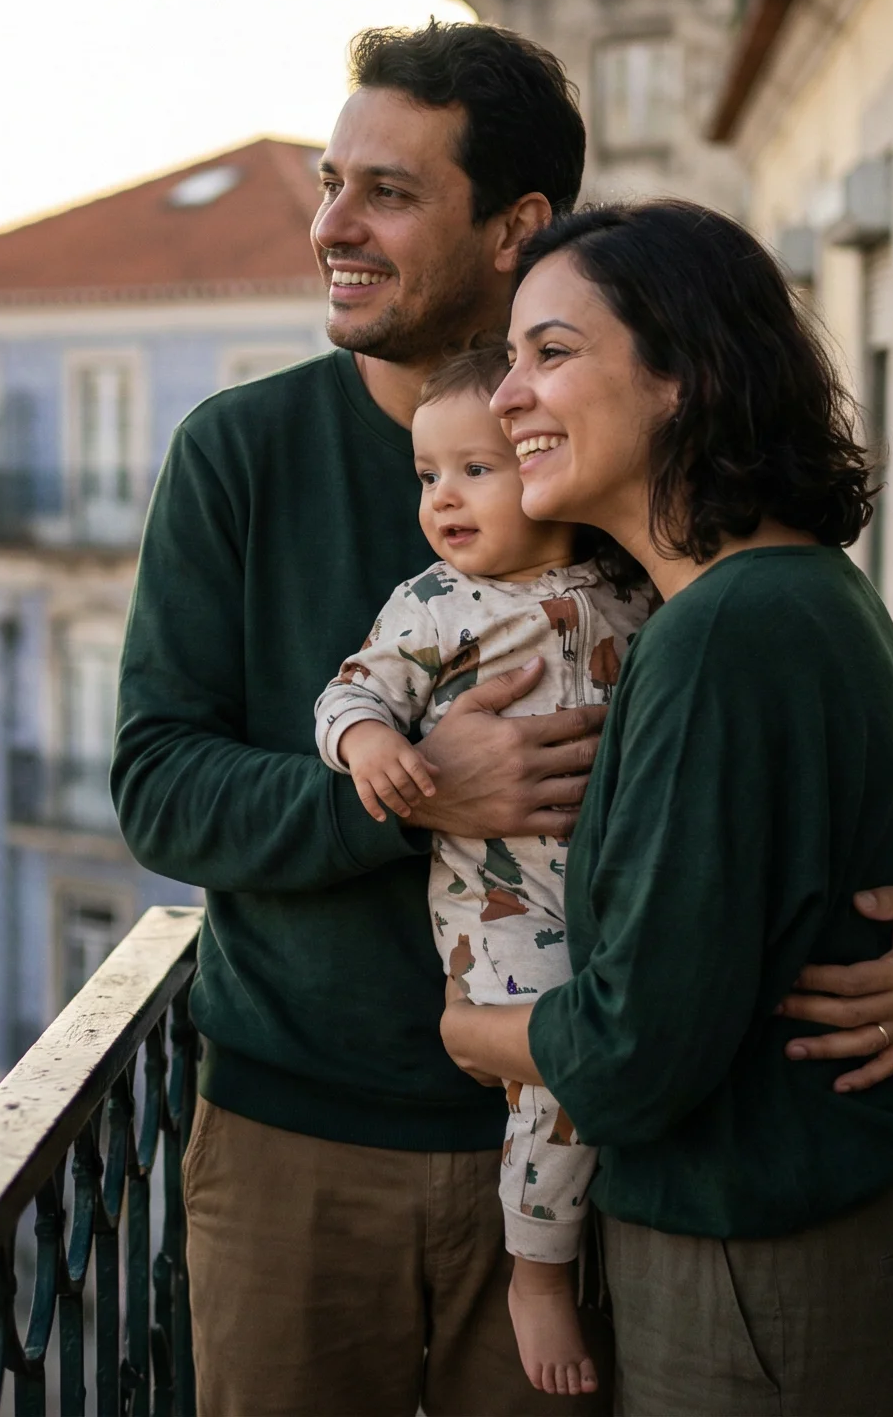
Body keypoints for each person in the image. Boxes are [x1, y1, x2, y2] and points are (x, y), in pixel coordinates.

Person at [111, 20, 893, 1417]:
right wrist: (416, 788)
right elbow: (159, 787)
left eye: (388, 193)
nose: (331, 226)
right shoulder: (241, 454)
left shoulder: (624, 493)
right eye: (331, 183)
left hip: (582, 1146)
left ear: (517, 223)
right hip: (306, 1140)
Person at [441, 200, 893, 1414]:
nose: (507, 394)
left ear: (683, 373)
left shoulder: (723, 633)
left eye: (552, 353)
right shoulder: (794, 587)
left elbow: (633, 1054)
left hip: (760, 1269)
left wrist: (471, 1035)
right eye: (511, 356)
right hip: (831, 1243)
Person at [312, 346, 655, 1398]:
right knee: (560, 1076)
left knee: (609, 1056)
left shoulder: (627, 582)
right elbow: (349, 693)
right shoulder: (433, 603)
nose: (444, 499)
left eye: (476, 470)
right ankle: (539, 1274)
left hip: (610, 895)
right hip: (497, 909)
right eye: (428, 477)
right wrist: (375, 751)